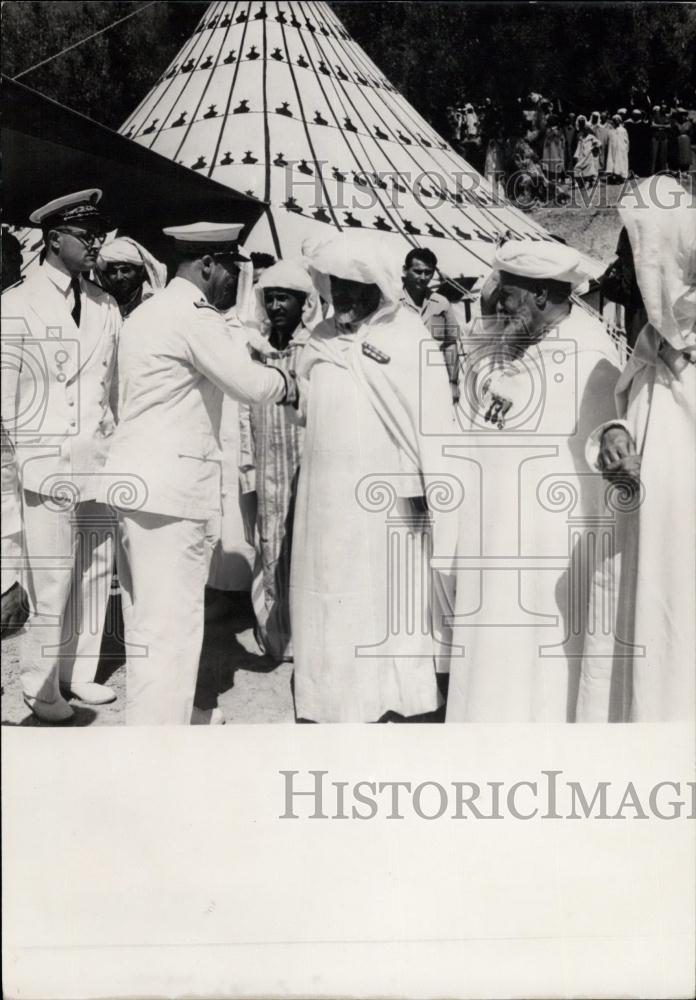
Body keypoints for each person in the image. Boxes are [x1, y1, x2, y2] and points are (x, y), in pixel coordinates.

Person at [97, 223, 297, 725]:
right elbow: (249, 384)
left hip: (138, 483)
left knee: (149, 620)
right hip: (173, 493)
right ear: (207, 264)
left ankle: (165, 721)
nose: (235, 280)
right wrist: (289, 380)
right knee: (173, 626)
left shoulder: (148, 312)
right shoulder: (194, 315)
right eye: (232, 268)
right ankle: (160, 748)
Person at [445, 240, 622, 722]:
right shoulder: (516, 343)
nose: (499, 304)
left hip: (549, 556)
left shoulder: (592, 356)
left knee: (538, 675)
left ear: (543, 296)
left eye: (510, 294)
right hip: (495, 538)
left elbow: (599, 477)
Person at [290, 234, 458, 723]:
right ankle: (329, 697)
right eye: (336, 283)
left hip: (390, 502)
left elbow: (433, 421)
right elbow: (305, 409)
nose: (343, 294)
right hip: (325, 502)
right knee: (330, 592)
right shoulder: (319, 340)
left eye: (355, 285)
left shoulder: (407, 336)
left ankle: (395, 697)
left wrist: (432, 486)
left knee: (388, 597)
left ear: (380, 288)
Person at [578, 176, 695, 722]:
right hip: (643, 529)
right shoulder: (655, 343)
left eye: (634, 247)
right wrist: (615, 435)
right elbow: (638, 411)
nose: (624, 260)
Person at [1, 189, 121, 722]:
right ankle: (40, 686)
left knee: (96, 569)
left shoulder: (105, 304)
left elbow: (111, 391)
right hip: (43, 466)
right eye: (86, 234)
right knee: (51, 579)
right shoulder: (14, 305)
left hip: (96, 459)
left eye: (100, 233)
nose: (98, 243)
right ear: (53, 240)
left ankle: (78, 672)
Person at [238, 260, 320, 662]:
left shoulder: (316, 347)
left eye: (283, 297)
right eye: (269, 298)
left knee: (301, 542)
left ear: (304, 302)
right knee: (267, 539)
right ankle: (273, 631)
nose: (276, 306)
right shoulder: (255, 349)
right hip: (264, 457)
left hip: (304, 463)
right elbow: (242, 407)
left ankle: (303, 635)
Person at [400, 247, 459, 398]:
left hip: (433, 378)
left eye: (428, 272)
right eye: (418, 271)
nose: (423, 277)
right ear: (405, 270)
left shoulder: (441, 303)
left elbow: (450, 344)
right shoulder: (391, 301)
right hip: (399, 376)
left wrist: (453, 382)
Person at [96, 236, 167, 318]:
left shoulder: (152, 300)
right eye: (113, 272)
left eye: (125, 270)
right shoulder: (102, 301)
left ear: (140, 271)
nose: (119, 277)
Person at [573, 115, 601, 185]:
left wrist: (594, 147)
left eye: (586, 129)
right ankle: (581, 182)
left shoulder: (591, 137)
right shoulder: (581, 138)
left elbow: (598, 143)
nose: (584, 131)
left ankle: (592, 181)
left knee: (590, 169)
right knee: (578, 168)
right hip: (582, 156)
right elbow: (578, 147)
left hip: (589, 156)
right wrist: (576, 155)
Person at [605, 114, 629, 182]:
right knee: (613, 161)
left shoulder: (623, 130)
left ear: (620, 121)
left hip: (621, 149)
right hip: (612, 149)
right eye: (615, 120)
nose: (616, 122)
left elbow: (626, 140)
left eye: (618, 120)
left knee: (621, 161)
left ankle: (621, 176)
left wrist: (626, 148)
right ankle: (614, 175)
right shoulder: (610, 130)